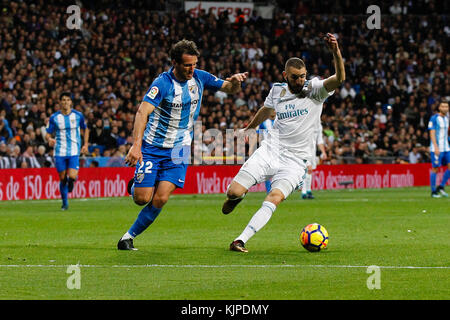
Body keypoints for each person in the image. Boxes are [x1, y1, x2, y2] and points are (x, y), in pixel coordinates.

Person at [118, 39, 248, 250]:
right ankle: (135, 184)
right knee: (142, 198)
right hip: (152, 147)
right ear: (175, 63)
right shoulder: (162, 84)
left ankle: (127, 237)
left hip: (179, 148)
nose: (191, 69)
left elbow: (230, 88)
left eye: (194, 64)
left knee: (160, 198)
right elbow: (142, 112)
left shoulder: (200, 77)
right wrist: (136, 145)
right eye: (187, 65)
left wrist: (235, 81)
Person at [222, 33, 345, 253]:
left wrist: (335, 52)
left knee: (274, 197)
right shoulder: (277, 90)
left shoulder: (315, 90)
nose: (300, 81)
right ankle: (236, 197)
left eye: (303, 76)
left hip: (296, 162)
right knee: (233, 191)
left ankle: (240, 240)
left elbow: (339, 79)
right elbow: (267, 110)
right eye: (295, 77)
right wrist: (249, 128)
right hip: (270, 151)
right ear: (285, 75)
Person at [46, 92, 89, 210]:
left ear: (71, 102)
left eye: (67, 100)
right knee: (62, 178)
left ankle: (72, 182)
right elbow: (48, 133)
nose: (65, 102)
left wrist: (85, 144)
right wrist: (49, 139)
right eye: (63, 100)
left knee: (72, 176)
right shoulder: (54, 117)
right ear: (60, 102)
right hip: (59, 151)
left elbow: (86, 129)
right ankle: (65, 203)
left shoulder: (78, 115)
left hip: (74, 150)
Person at [428, 99, 449, 198]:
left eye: (446, 106)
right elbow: (432, 133)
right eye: (443, 106)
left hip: (446, 148)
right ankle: (433, 192)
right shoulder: (434, 118)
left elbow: (445, 134)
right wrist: (436, 147)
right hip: (437, 148)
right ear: (439, 108)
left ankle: (441, 187)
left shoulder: (447, 118)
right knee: (435, 168)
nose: (445, 108)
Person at [301, 121, 327, 199]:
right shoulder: (306, 122)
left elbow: (320, 141)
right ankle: (304, 191)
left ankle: (308, 191)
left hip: (313, 151)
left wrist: (323, 152)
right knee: (307, 169)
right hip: (304, 149)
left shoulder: (319, 125)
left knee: (310, 171)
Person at [257, 109, 276, 193]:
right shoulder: (264, 122)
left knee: (277, 169)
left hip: (278, 148)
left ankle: (277, 189)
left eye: (275, 110)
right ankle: (269, 190)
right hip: (267, 149)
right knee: (267, 170)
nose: (274, 111)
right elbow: (259, 134)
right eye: (273, 110)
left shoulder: (279, 120)